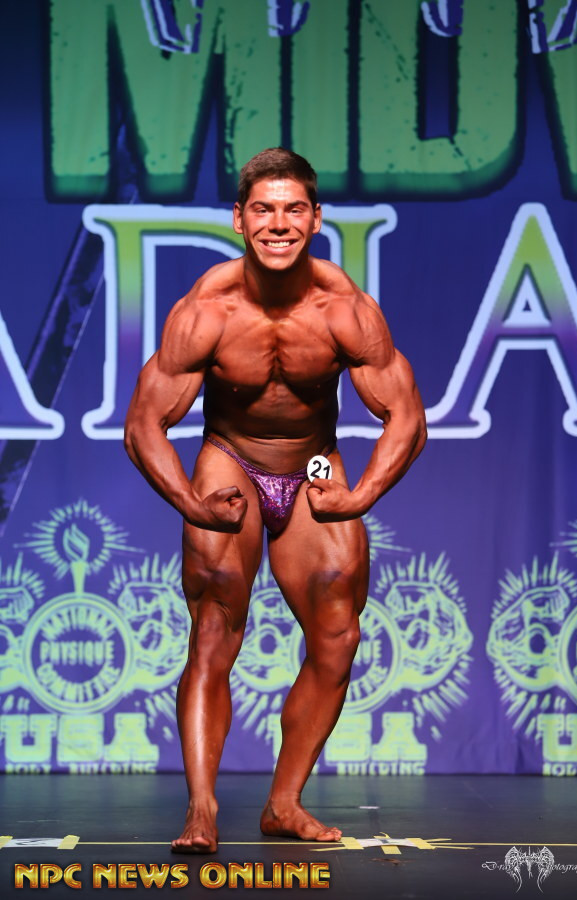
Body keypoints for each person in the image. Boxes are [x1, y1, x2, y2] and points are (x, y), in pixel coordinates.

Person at [124, 148, 427, 853]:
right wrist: (192, 504)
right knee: (213, 629)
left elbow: (406, 418)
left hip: (313, 462)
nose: (279, 223)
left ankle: (284, 803)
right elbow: (143, 425)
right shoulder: (207, 310)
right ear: (239, 219)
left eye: (294, 210)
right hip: (230, 459)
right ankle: (202, 810)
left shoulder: (344, 309)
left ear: (316, 219)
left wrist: (360, 495)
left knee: (338, 636)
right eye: (263, 209)